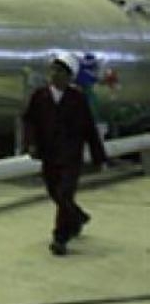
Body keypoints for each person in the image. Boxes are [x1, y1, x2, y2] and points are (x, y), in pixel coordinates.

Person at [22, 52, 107, 256]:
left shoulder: (77, 99)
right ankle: (77, 216)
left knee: (64, 193)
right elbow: (29, 121)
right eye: (53, 70)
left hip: (70, 156)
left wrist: (99, 157)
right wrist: (31, 144)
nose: (55, 74)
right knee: (54, 192)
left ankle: (60, 238)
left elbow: (89, 128)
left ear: (70, 76)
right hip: (49, 154)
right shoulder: (39, 96)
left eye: (60, 71)